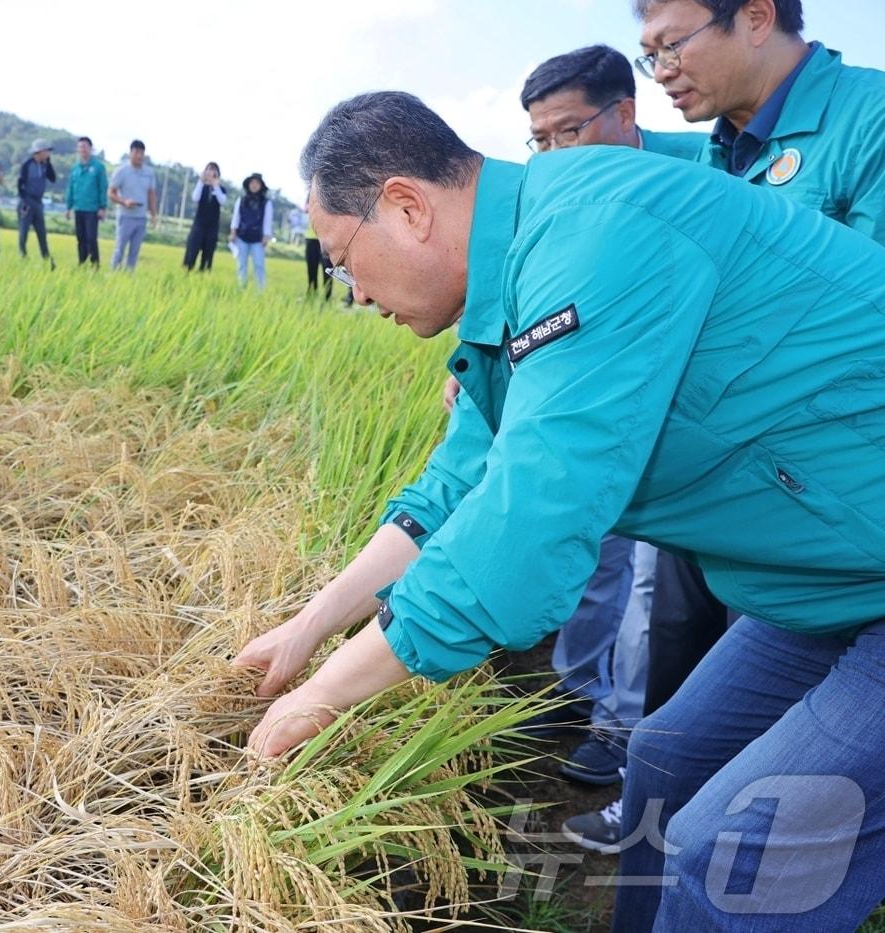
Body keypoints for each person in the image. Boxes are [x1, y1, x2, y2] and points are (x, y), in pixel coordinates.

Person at [235, 90, 885, 931]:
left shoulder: (592, 235)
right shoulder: (512, 290)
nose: (350, 290)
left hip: (864, 563)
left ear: (407, 207)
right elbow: (455, 488)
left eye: (341, 259)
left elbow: (526, 526)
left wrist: (323, 695)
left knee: (726, 857)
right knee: (664, 755)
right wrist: (308, 629)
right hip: (830, 573)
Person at [630, 0, 885, 724]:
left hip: (835, 512)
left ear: (755, 16)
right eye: (651, 56)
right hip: (736, 474)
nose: (663, 73)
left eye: (672, 46)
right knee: (676, 705)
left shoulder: (870, 120)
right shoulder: (721, 155)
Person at [505, 46, 708, 801]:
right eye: (540, 139)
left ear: (624, 113)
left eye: (568, 132)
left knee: (655, 583)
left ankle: (620, 726)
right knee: (594, 552)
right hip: (600, 399)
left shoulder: (699, 168)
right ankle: (570, 690)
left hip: (683, 411)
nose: (552, 154)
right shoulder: (550, 190)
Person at [109, 140, 157, 271]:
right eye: (136, 152)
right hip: (126, 216)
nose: (139, 156)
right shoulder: (121, 171)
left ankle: (129, 278)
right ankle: (113, 275)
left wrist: (153, 215)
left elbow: (151, 194)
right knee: (119, 249)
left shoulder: (149, 172)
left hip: (141, 217)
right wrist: (124, 201)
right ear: (130, 153)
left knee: (134, 252)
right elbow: (111, 193)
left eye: (141, 153)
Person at [64, 136, 108, 267]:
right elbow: (70, 188)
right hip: (78, 207)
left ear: (90, 148)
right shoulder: (75, 168)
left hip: (92, 209)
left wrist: (102, 207)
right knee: (80, 238)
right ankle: (81, 263)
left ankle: (95, 265)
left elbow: (102, 187)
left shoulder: (98, 167)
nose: (82, 149)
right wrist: (68, 207)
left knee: (91, 238)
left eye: (85, 147)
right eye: (80, 147)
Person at [17, 138, 57, 264]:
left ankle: (46, 258)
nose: (48, 154)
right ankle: (22, 256)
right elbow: (20, 184)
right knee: (24, 231)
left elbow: (53, 178)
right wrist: (24, 202)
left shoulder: (45, 165)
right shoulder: (27, 165)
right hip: (27, 201)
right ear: (38, 152)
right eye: (46, 151)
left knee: (42, 232)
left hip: (38, 202)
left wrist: (49, 163)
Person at [229, 173, 272, 289]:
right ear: (248, 185)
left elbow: (267, 221)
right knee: (241, 264)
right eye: (252, 183)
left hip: (258, 238)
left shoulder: (266, 202)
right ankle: (241, 287)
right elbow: (236, 217)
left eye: (257, 183)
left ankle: (260, 290)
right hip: (242, 236)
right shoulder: (241, 200)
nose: (254, 185)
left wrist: (266, 236)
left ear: (261, 186)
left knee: (259, 265)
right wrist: (233, 232)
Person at [183, 162, 226, 271]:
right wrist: (201, 181)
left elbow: (222, 200)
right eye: (209, 170)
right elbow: (195, 198)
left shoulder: (221, 189)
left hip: (213, 225)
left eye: (214, 170)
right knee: (193, 247)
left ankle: (204, 270)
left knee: (208, 250)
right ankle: (188, 268)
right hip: (199, 223)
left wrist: (215, 185)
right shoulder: (201, 186)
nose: (211, 173)